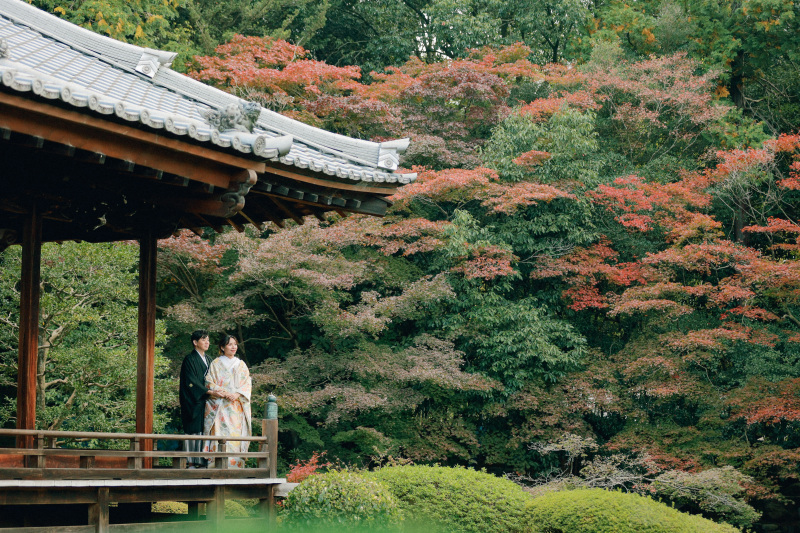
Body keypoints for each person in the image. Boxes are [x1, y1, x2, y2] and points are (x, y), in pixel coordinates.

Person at [203, 334, 252, 468]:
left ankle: (236, 465)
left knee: (235, 435)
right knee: (219, 433)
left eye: (235, 344)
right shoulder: (216, 363)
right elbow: (208, 382)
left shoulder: (241, 364)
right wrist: (224, 393)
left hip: (236, 406)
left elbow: (247, 383)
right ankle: (217, 465)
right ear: (222, 347)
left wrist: (237, 394)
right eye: (230, 344)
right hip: (220, 406)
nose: (233, 347)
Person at [179, 330, 211, 468]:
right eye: (203, 340)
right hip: (194, 400)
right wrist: (208, 391)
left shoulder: (209, 359)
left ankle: (205, 460)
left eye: (208, 340)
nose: (207, 342)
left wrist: (215, 391)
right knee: (194, 429)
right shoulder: (189, 359)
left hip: (208, 400)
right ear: (195, 342)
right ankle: (192, 461)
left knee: (207, 429)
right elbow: (191, 382)